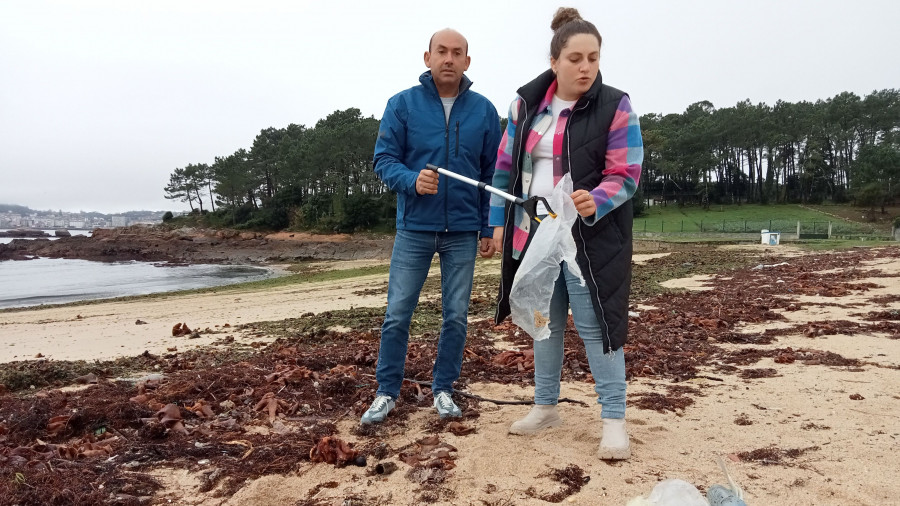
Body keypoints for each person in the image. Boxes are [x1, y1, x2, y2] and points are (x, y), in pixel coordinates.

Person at [490, 7, 643, 460]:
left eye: (593, 58)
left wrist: (597, 197)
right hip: (534, 233)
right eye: (576, 58)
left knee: (598, 327)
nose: (586, 68)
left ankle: (614, 421)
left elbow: (627, 172)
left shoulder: (616, 105)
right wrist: (498, 222)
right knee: (544, 323)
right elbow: (504, 167)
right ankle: (545, 406)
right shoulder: (524, 105)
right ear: (555, 60)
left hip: (589, 239)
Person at [361, 29, 502, 424]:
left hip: (462, 231)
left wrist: (490, 226)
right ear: (427, 57)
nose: (449, 59)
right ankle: (386, 393)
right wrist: (411, 181)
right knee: (397, 314)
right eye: (442, 51)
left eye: (457, 53)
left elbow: (494, 174)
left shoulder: (484, 111)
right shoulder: (402, 105)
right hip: (414, 229)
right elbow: (384, 160)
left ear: (467, 62)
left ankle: (444, 390)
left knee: (455, 315)